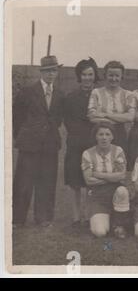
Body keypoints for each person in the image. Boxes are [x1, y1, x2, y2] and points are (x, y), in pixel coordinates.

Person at [13, 55, 64, 228]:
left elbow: (57, 119)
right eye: (48, 71)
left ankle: (43, 218)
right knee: (23, 182)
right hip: (29, 144)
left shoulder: (59, 94)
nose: (51, 74)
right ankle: (17, 219)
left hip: (50, 144)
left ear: (57, 73)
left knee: (47, 181)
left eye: (54, 71)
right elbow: (17, 116)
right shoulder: (28, 91)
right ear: (41, 72)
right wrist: (24, 135)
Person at [63, 57, 99, 229]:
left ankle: (90, 215)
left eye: (90, 74)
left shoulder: (100, 95)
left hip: (95, 142)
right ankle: (77, 218)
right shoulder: (70, 97)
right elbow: (68, 122)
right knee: (75, 181)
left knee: (91, 181)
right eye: (84, 74)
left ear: (94, 76)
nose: (87, 78)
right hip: (76, 143)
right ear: (79, 76)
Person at [81, 122, 130, 239]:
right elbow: (89, 181)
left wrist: (97, 174)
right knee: (100, 232)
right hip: (97, 197)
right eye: (101, 134)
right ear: (95, 136)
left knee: (122, 190)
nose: (104, 137)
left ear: (112, 136)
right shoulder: (87, 153)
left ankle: (119, 224)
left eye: (108, 134)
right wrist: (112, 177)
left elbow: (122, 176)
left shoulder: (118, 151)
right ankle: (108, 219)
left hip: (115, 193)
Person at [87, 60, 136, 156]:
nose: (114, 78)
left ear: (121, 77)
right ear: (105, 75)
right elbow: (92, 117)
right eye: (111, 75)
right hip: (100, 133)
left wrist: (104, 114)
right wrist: (120, 117)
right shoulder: (96, 92)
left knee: (119, 162)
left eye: (117, 76)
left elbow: (130, 117)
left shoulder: (128, 94)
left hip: (120, 133)